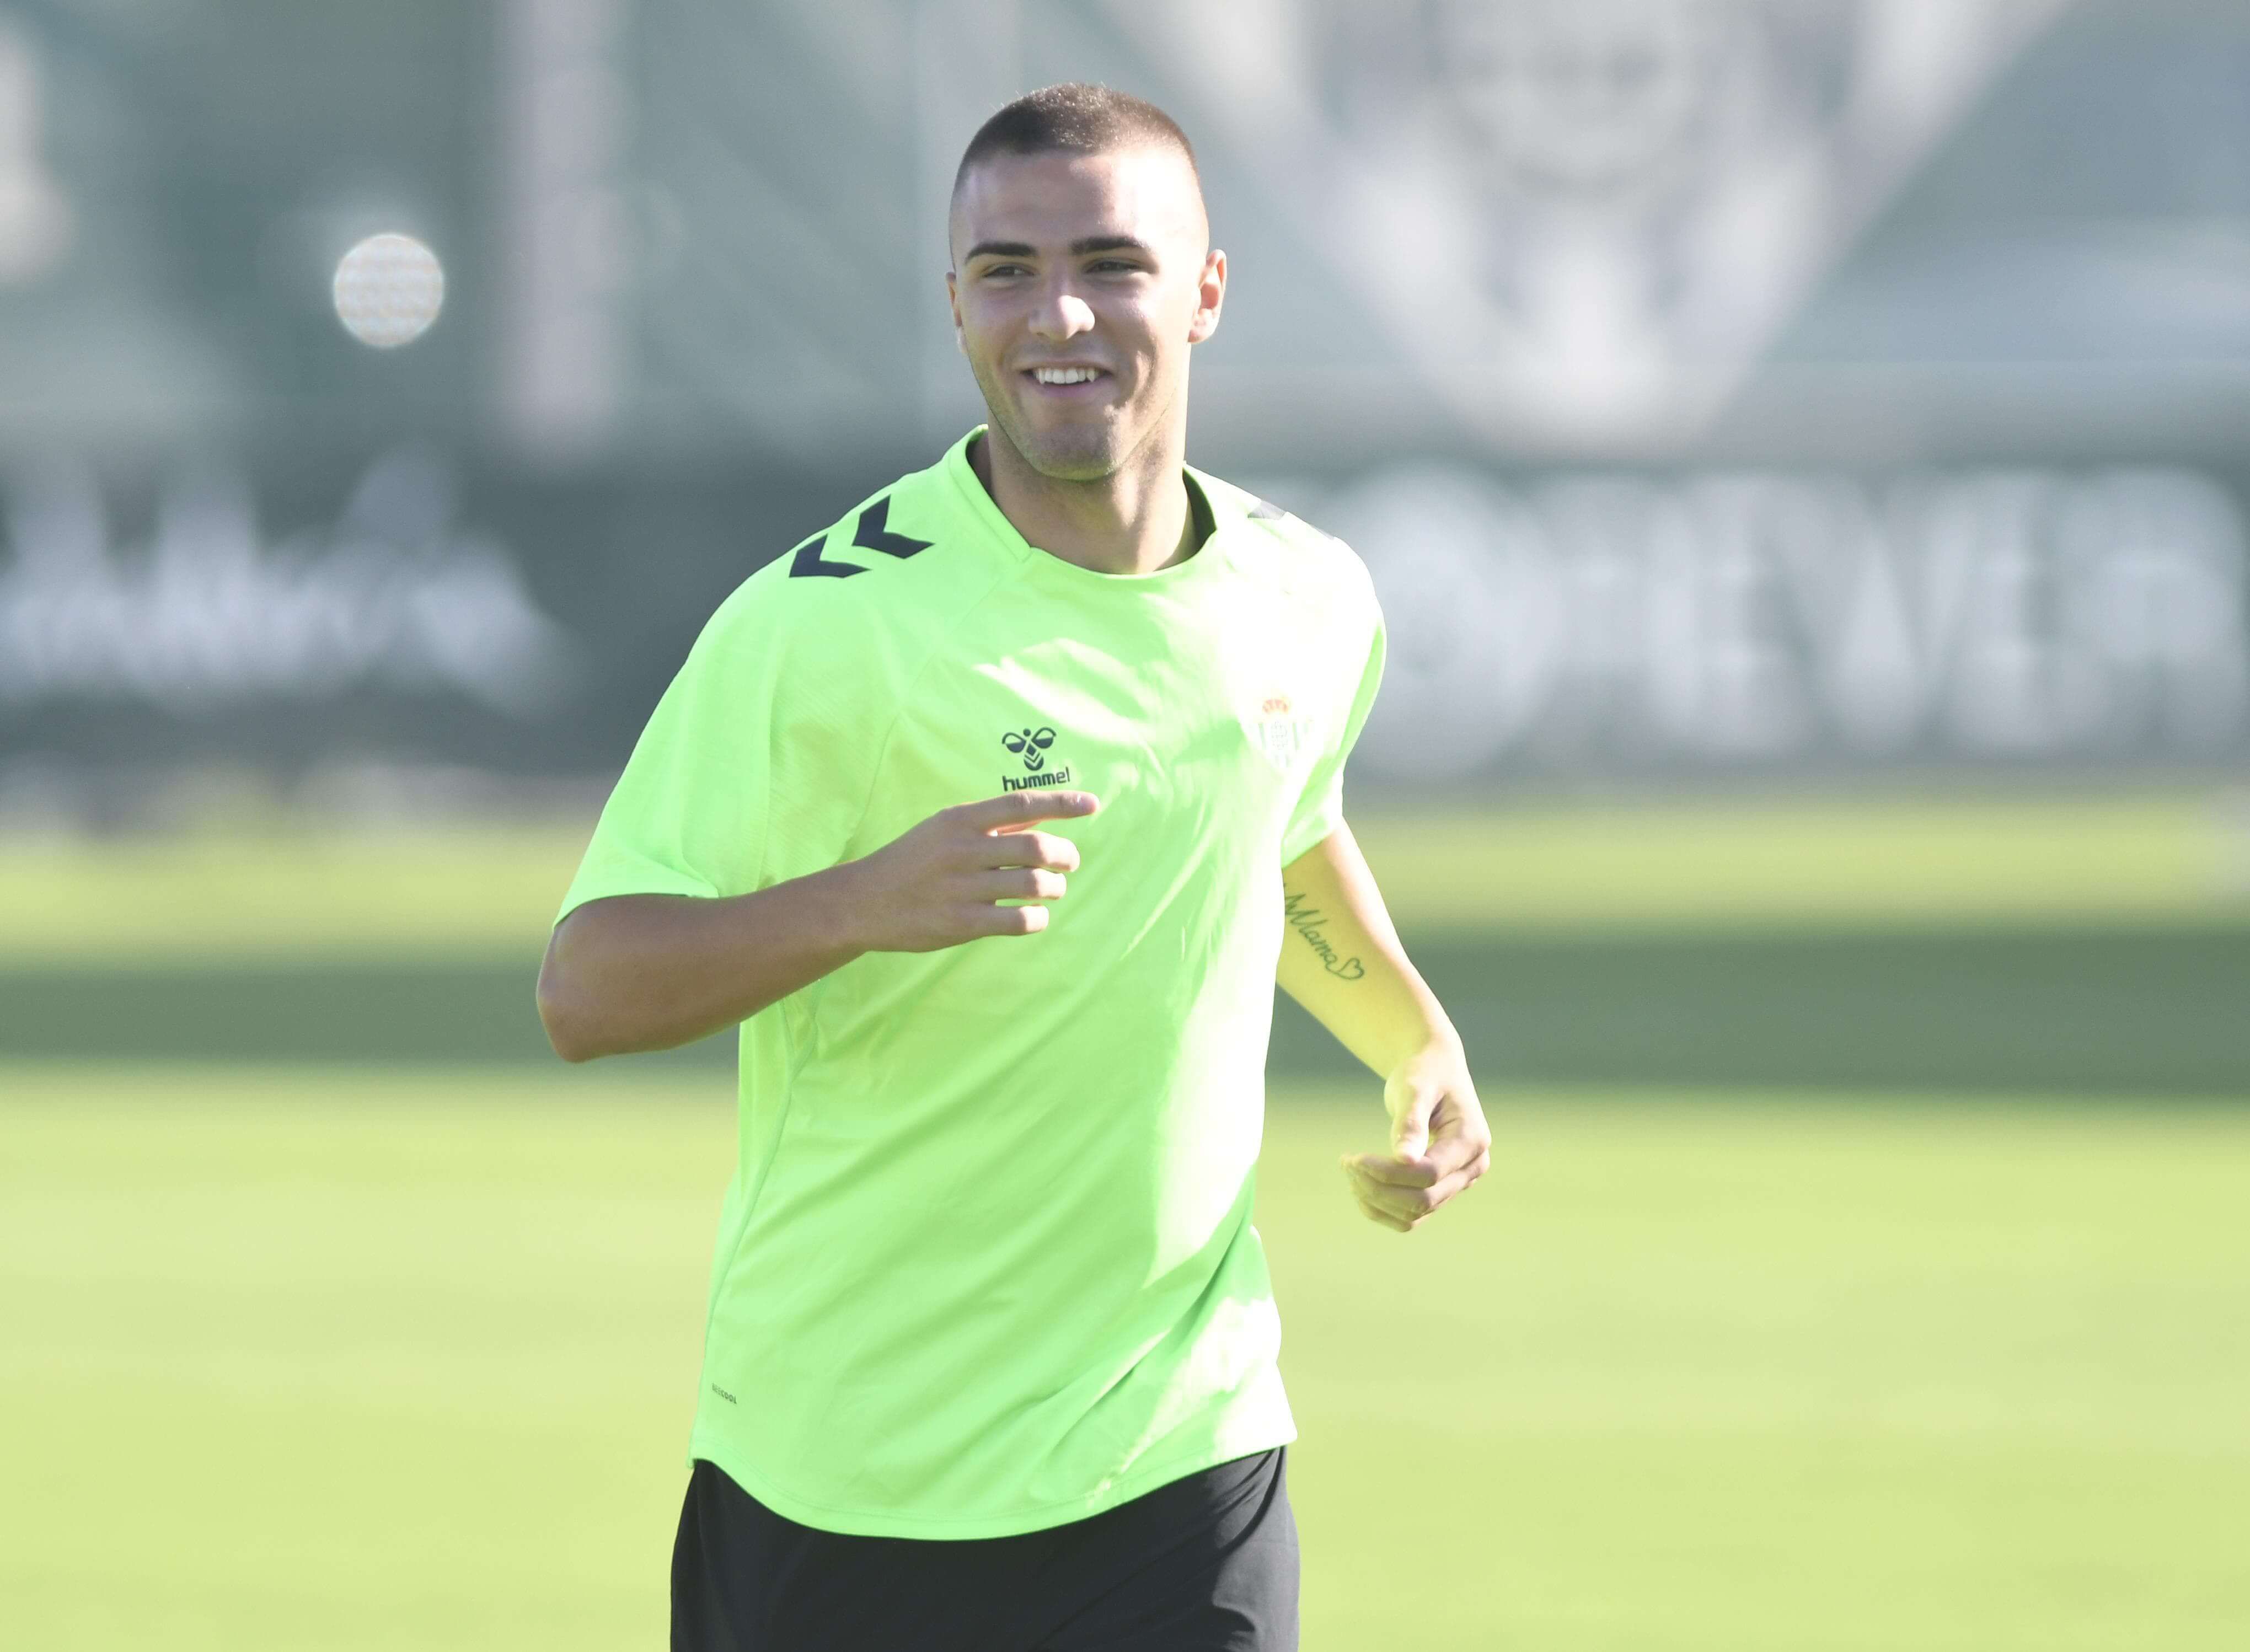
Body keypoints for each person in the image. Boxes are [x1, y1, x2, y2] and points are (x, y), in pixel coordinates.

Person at [537, 82, 1490, 1652]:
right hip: (842, 1472)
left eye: (1113, 263)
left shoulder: (1311, 599)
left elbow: (1279, 816)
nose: (1060, 313)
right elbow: (587, 987)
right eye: (1006, 271)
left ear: (1205, 291)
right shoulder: (819, 626)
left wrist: (1414, 1037)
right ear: (956, 301)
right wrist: (859, 905)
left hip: (1181, 1449)